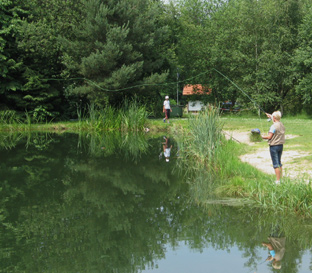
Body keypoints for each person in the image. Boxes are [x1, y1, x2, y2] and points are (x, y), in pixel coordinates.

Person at [262, 111, 285, 184]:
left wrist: (261, 136)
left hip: (274, 147)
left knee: (275, 164)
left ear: (274, 118)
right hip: (280, 146)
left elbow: (269, 137)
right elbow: (275, 120)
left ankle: (278, 181)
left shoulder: (273, 126)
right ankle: (281, 179)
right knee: (279, 163)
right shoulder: (281, 124)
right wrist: (271, 116)